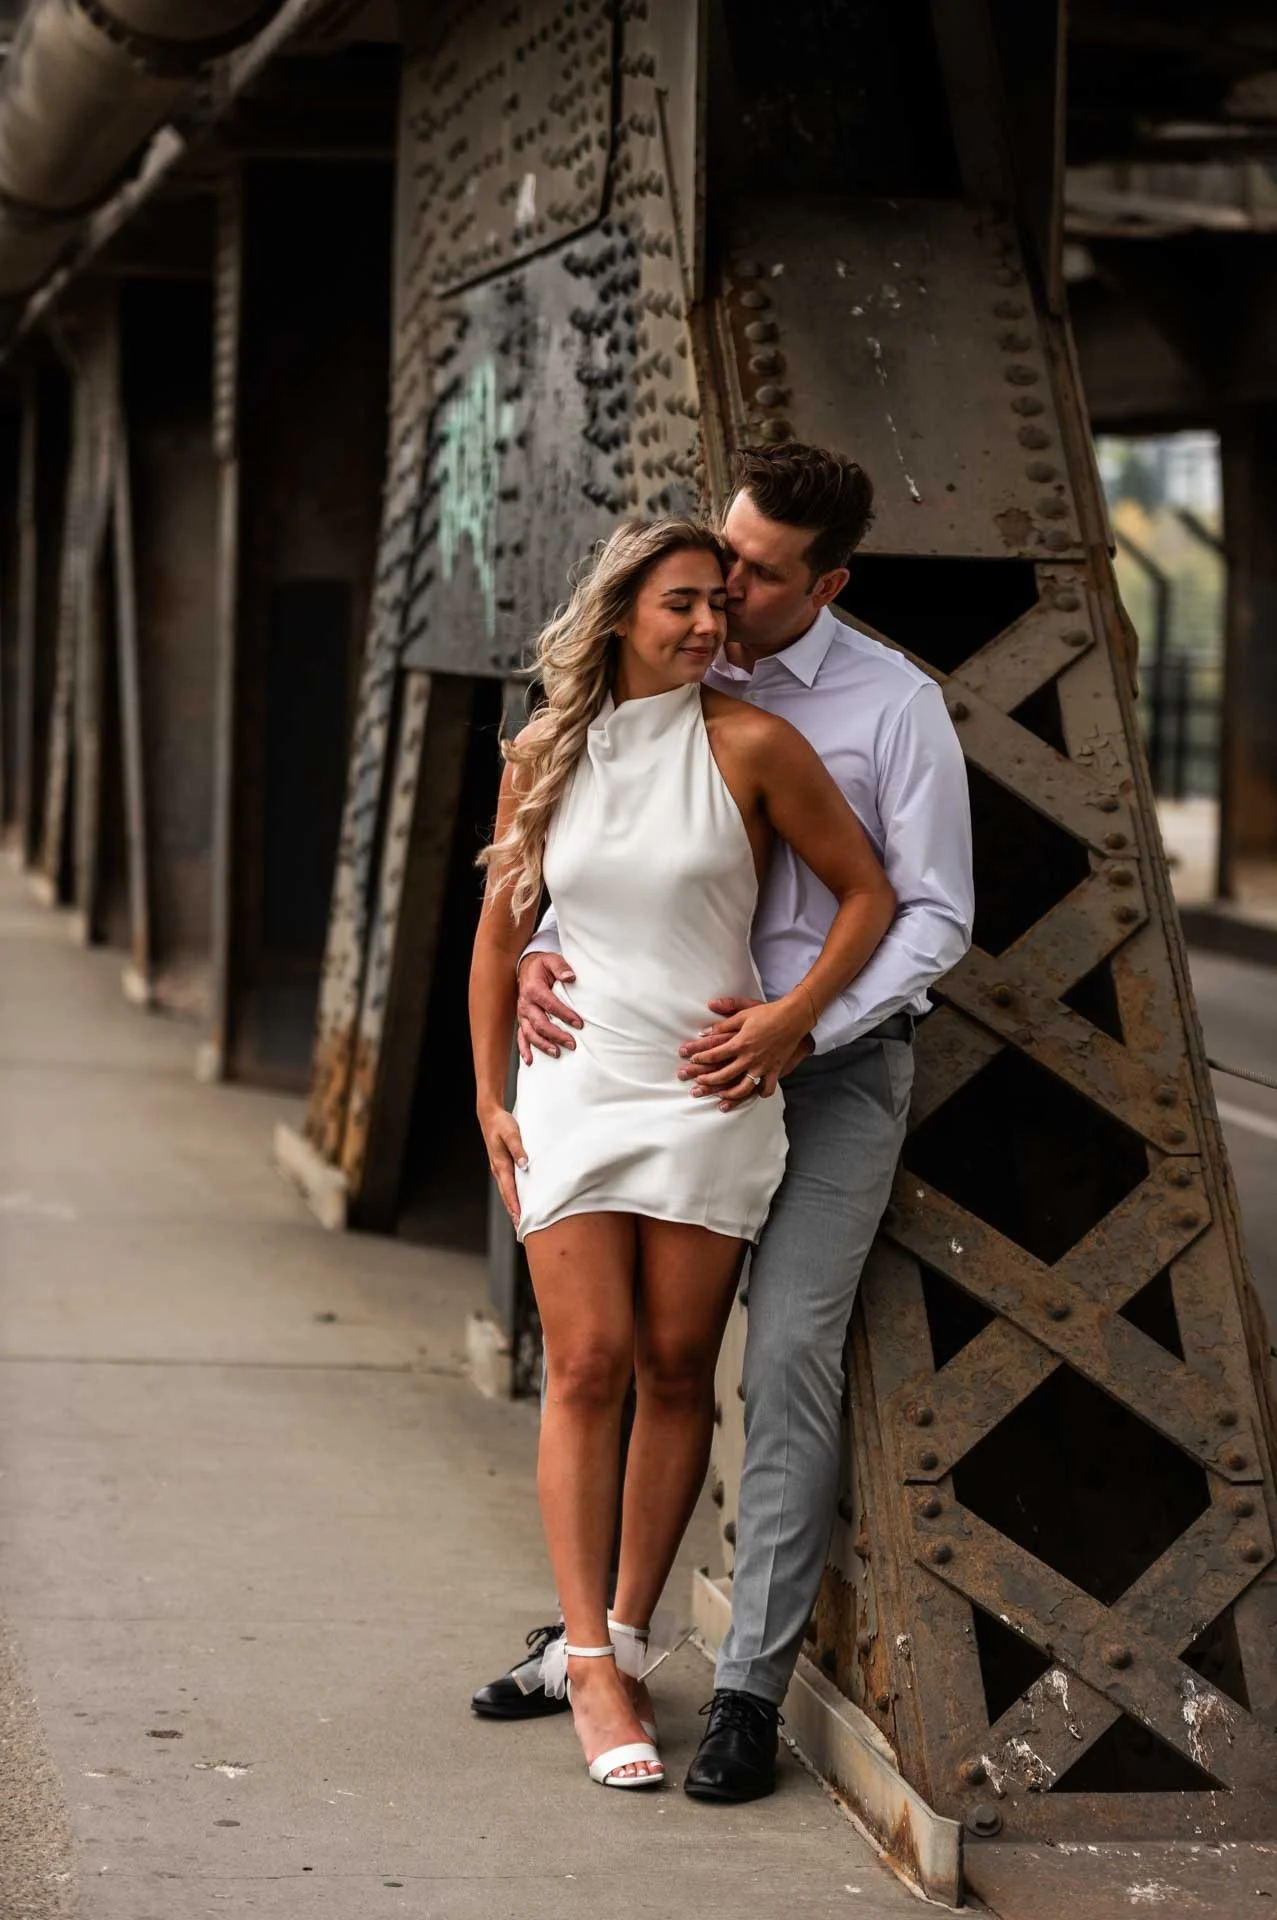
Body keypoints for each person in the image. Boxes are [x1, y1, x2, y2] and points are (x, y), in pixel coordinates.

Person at [474, 443, 974, 1803]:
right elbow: (592, 867)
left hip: (826, 1063)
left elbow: (928, 909)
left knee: (781, 1356)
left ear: (828, 581)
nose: (728, 596)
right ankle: (602, 1647)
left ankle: (745, 1687)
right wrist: (533, 954)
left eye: (754, 574)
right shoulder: (679, 673)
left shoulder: (890, 707)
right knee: (605, 1357)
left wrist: (799, 1023)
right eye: (712, 569)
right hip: (645, 1064)